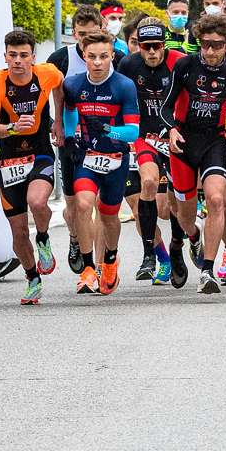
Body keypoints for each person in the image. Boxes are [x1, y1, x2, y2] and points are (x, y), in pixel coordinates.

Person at [160, 12, 226, 295]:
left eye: (217, 45)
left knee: (217, 200)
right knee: (184, 215)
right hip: (183, 143)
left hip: (213, 142)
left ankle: (207, 270)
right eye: (205, 44)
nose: (210, 51)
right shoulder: (185, 66)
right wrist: (171, 129)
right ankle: (193, 237)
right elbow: (166, 107)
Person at [0, 29, 63, 304]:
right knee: (17, 230)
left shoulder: (47, 73)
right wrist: (12, 128)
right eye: (12, 55)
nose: (17, 61)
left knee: (37, 203)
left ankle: (43, 238)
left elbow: (60, 87)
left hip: (39, 152)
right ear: (5, 56)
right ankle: (32, 278)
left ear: (33, 58)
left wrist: (58, 119)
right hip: (9, 158)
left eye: (23, 55)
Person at [60, 32, 141, 296]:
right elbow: (70, 111)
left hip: (116, 160)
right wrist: (71, 137)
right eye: (92, 57)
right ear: (84, 56)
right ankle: (86, 268)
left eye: (103, 57)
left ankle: (110, 259)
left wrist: (109, 130)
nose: (97, 62)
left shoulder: (124, 86)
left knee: (108, 217)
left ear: (112, 57)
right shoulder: (73, 84)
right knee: (83, 204)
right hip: (88, 157)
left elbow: (133, 132)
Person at [48, 5, 124, 274]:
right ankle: (75, 238)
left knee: (102, 207)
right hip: (72, 141)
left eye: (90, 34)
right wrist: (56, 125)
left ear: (101, 30)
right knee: (74, 206)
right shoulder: (61, 58)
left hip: (106, 144)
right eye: (80, 35)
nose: (84, 41)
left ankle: (102, 266)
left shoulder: (117, 54)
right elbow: (52, 95)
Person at [118, 19, 185, 285]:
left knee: (174, 203)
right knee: (147, 184)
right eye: (146, 47)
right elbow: (118, 99)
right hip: (144, 136)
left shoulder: (179, 62)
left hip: (174, 136)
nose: (152, 52)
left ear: (164, 44)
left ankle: (179, 246)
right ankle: (151, 254)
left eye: (157, 46)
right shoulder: (129, 65)